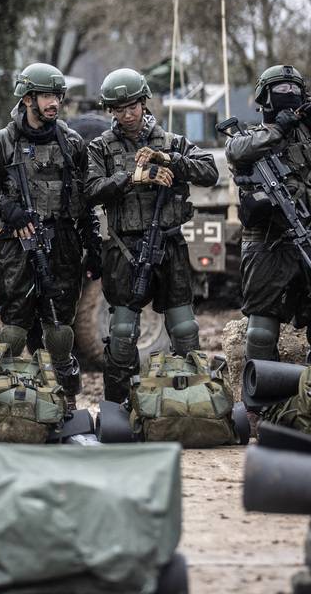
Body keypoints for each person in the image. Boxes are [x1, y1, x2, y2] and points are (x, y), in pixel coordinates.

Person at [85, 68, 219, 403]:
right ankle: (118, 408)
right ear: (110, 111)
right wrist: (133, 178)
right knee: (122, 334)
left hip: (169, 247)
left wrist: (171, 161)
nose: (127, 114)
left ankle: (195, 403)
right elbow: (89, 190)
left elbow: (210, 172)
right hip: (125, 250)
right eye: (118, 109)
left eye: (132, 106)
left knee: (185, 329)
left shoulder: (172, 141)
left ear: (144, 103)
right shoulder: (100, 148)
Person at [0, 63, 99, 413]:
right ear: (27, 98)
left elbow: (85, 200)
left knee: (59, 330)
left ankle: (67, 400)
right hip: (17, 245)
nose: (53, 102)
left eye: (57, 95)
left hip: (63, 245)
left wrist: (94, 245)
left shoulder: (72, 143)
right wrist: (6, 207)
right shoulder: (2, 143)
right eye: (46, 96)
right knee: (13, 329)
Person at [224, 64, 311, 369]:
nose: (289, 95)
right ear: (266, 97)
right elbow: (235, 152)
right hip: (267, 247)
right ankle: (263, 406)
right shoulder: (252, 137)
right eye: (281, 90)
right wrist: (278, 130)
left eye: (294, 90)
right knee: (260, 334)